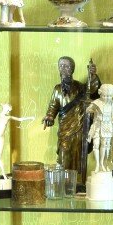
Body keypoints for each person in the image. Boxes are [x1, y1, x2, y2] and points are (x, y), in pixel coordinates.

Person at [42, 56, 100, 191]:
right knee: (64, 152)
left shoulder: (80, 87)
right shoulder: (57, 89)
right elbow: (52, 107)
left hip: (79, 127)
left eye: (67, 66)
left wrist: (93, 75)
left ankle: (76, 183)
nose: (63, 68)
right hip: (64, 128)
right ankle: (63, 183)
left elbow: (92, 89)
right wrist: (49, 117)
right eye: (61, 65)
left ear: (72, 69)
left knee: (77, 154)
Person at [0, 100, 34, 181]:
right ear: (4, 108)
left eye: (9, 110)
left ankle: (4, 175)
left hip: (0, 137)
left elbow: (20, 119)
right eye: (8, 109)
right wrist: (0, 103)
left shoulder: (8, 117)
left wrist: (30, 118)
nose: (9, 111)